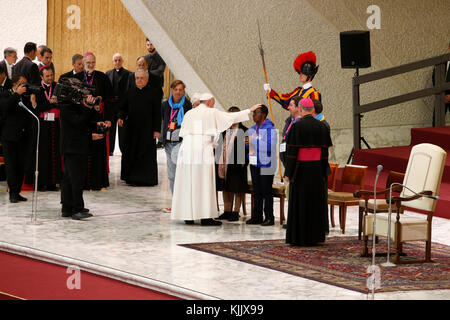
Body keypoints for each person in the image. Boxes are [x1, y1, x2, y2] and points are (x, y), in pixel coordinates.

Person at [171, 93, 261, 226]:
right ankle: (205, 217)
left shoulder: (190, 113)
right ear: (208, 102)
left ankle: (188, 216)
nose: (213, 105)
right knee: (204, 183)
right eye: (213, 103)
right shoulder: (210, 112)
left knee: (188, 182)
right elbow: (231, 116)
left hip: (187, 150)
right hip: (202, 149)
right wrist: (249, 110)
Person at [284, 98, 332, 246]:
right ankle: (316, 236)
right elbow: (325, 154)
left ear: (300, 109)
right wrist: (324, 171)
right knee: (315, 203)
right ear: (312, 109)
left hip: (300, 170)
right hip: (317, 170)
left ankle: (300, 237)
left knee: (301, 203)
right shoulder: (322, 126)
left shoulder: (296, 127)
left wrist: (288, 173)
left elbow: (292, 153)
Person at [60, 94, 104, 220]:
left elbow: (85, 121)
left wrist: (96, 124)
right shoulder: (66, 106)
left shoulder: (74, 106)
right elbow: (79, 122)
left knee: (69, 179)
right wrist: (88, 107)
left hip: (76, 147)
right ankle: (77, 209)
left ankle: (67, 207)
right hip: (73, 148)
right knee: (76, 180)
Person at [118, 69, 161, 186]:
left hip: (147, 130)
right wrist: (121, 117)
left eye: (142, 78)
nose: (139, 80)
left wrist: (157, 129)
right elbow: (123, 108)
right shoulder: (129, 92)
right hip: (132, 129)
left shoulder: (154, 93)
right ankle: (131, 178)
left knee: (145, 154)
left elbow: (157, 112)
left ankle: (146, 179)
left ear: (147, 79)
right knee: (131, 152)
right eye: (137, 78)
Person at [0, 74, 34, 203]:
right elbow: (5, 108)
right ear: (15, 84)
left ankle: (17, 191)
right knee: (11, 166)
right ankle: (12, 193)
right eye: (21, 83)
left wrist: (32, 101)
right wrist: (16, 94)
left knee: (21, 165)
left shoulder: (25, 97)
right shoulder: (6, 94)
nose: (24, 86)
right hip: (10, 137)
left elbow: (30, 112)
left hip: (23, 136)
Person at [81, 52, 112, 190]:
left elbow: (111, 100)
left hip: (99, 119)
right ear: (83, 62)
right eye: (88, 63)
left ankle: (98, 182)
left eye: (93, 62)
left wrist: (109, 119)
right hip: (83, 119)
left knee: (99, 152)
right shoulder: (78, 78)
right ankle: (84, 183)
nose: (91, 65)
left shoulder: (102, 77)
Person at [161, 80, 192, 206]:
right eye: (176, 89)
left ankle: (183, 201)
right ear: (172, 90)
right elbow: (163, 120)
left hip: (181, 143)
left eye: (181, 90)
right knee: (171, 174)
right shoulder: (165, 105)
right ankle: (176, 201)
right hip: (169, 143)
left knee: (181, 173)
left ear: (183, 91)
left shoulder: (187, 105)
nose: (178, 92)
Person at [246, 105, 278, 226]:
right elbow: (248, 146)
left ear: (263, 115)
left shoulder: (270, 129)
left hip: (266, 164)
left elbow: (269, 147)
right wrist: (247, 143)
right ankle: (257, 216)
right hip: (254, 163)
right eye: (253, 113)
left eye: (256, 113)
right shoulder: (252, 129)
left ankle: (269, 217)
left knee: (266, 191)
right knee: (257, 191)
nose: (253, 116)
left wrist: (253, 141)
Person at [216, 106, 249, 222]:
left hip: (238, 165)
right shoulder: (224, 130)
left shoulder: (245, 131)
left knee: (237, 189)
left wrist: (243, 162)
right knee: (226, 188)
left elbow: (247, 148)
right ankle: (227, 211)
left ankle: (235, 212)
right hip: (224, 164)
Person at [32, 65, 61, 191]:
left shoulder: (57, 87)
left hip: (55, 123)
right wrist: (49, 103)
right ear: (41, 77)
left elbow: (62, 103)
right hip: (42, 124)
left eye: (51, 75)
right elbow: (36, 108)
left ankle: (53, 183)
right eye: (47, 76)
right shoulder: (37, 89)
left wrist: (55, 103)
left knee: (55, 153)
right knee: (43, 154)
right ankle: (41, 183)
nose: (50, 78)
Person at [106, 53, 131, 156]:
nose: (117, 62)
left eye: (119, 60)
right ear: (113, 61)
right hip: (111, 106)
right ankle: (110, 150)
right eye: (115, 60)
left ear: (122, 61)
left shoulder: (129, 74)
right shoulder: (107, 74)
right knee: (110, 128)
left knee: (123, 130)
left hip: (122, 106)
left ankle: (124, 149)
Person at [432, 42, 450, 126]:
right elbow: (434, 77)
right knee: (436, 123)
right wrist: (439, 93)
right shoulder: (442, 61)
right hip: (441, 96)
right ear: (449, 47)